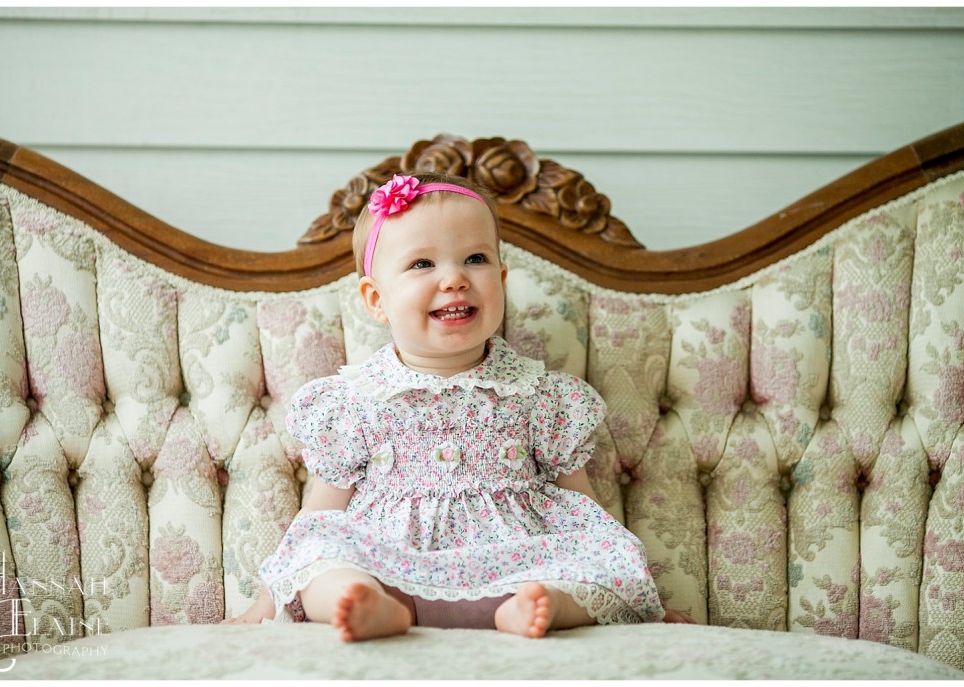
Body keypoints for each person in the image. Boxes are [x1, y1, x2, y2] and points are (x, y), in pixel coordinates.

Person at [224, 172, 693, 640]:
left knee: (588, 563)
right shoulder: (356, 400)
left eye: (475, 258)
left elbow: (585, 508)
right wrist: (265, 603)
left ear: (502, 280)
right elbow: (319, 516)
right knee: (324, 552)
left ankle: (542, 606)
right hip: (395, 569)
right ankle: (367, 603)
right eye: (422, 264)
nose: (454, 278)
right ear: (376, 299)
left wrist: (636, 594)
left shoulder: (539, 394)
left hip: (514, 566)